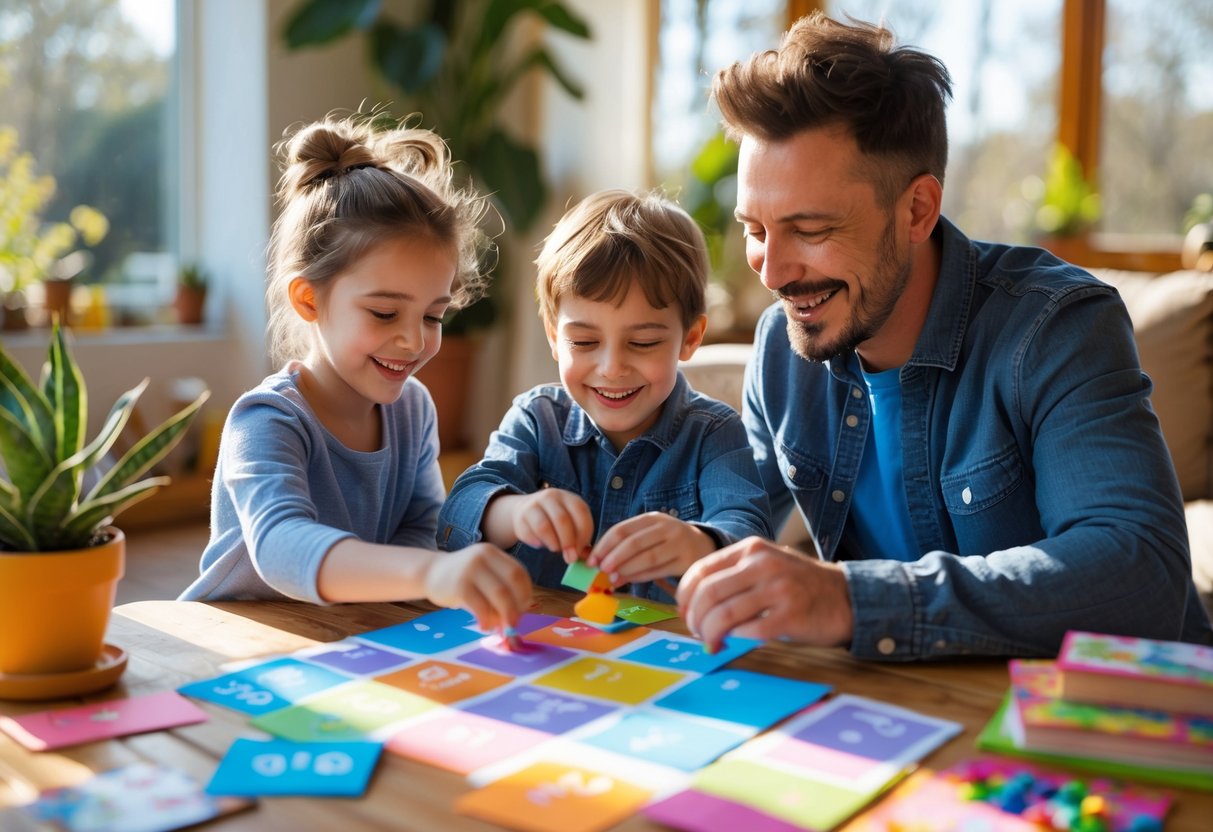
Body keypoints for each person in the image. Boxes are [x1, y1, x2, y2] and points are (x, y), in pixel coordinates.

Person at [676, 12, 1213, 659]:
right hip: (911, 711)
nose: (773, 270)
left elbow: (1137, 573)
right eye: (755, 229)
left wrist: (850, 599)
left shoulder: (1056, 326)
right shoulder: (781, 349)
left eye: (810, 230)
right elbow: (735, 514)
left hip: (1112, 721)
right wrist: (693, 543)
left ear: (917, 210)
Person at [179, 114, 531, 631]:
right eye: (385, 313)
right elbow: (280, 546)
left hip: (344, 635)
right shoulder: (265, 419)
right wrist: (432, 573)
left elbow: (420, 525)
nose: (414, 340)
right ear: (309, 299)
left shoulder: (413, 409)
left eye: (433, 316)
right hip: (238, 638)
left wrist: (425, 574)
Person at [438, 190, 773, 602]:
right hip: (546, 648)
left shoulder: (714, 433)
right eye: (583, 341)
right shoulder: (537, 419)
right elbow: (457, 515)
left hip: (663, 653)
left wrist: (698, 543)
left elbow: (749, 532)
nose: (612, 368)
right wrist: (516, 513)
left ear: (690, 339)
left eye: (644, 342)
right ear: (554, 337)